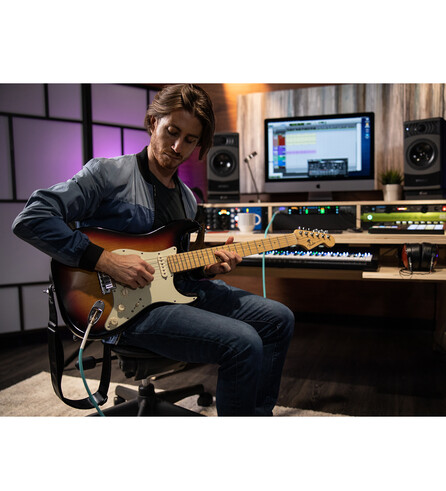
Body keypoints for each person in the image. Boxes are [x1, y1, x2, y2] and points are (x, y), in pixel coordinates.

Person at [12, 84, 294, 416]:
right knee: (243, 341)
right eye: (172, 132)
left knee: (279, 319)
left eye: (190, 140)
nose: (178, 147)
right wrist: (106, 260)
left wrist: (206, 268)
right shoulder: (107, 174)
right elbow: (33, 218)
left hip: (176, 294)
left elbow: (173, 265)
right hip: (125, 308)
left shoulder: (187, 199)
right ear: (152, 123)